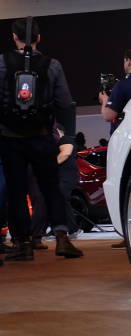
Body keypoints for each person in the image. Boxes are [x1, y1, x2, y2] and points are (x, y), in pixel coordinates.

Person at [0, 18, 83, 260]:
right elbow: (65, 103)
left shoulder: (2, 63)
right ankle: (62, 238)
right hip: (42, 137)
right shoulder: (52, 65)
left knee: (17, 192)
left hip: (10, 138)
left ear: (14, 37)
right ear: (38, 38)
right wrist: (65, 134)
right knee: (50, 189)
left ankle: (23, 244)